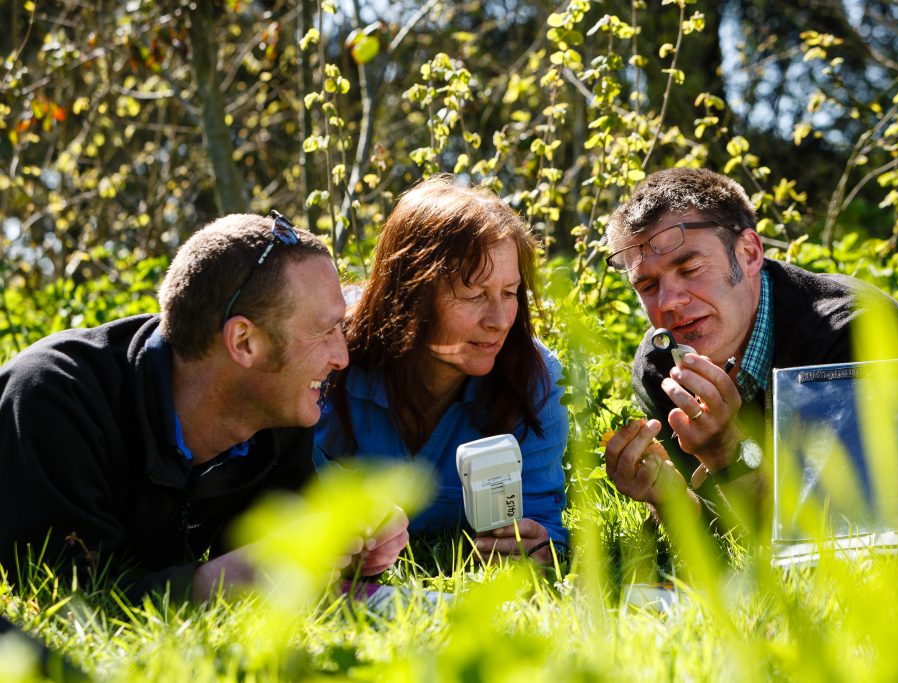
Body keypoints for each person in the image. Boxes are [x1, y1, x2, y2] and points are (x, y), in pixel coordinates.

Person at [0, 212, 408, 601]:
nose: (342, 356)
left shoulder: (277, 407)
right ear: (244, 342)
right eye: (325, 331)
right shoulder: (52, 401)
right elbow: (59, 597)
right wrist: (217, 580)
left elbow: (277, 560)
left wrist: (350, 550)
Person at [600, 167, 898, 524]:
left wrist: (726, 450)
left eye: (690, 268)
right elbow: (729, 530)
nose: (669, 303)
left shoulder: (854, 334)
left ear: (748, 253)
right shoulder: (660, 366)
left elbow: (851, 535)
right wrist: (670, 500)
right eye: (648, 286)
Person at [314, 176, 569, 563]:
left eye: (509, 292)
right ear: (410, 292)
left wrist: (538, 547)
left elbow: (542, 526)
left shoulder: (535, 380)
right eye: (473, 294)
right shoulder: (330, 359)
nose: (499, 320)